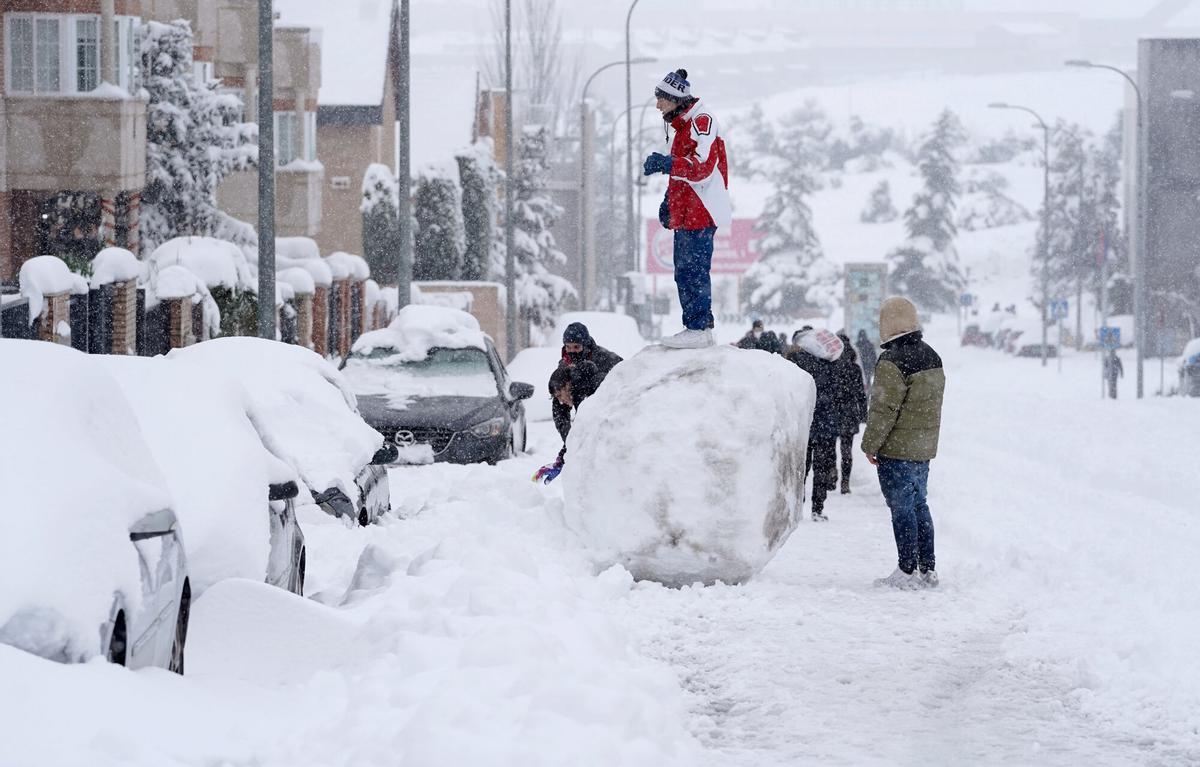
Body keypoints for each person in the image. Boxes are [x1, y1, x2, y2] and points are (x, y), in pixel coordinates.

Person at [642, 68, 731, 349]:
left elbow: (702, 168)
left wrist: (667, 163)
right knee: (684, 270)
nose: (657, 105)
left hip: (701, 211)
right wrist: (669, 201)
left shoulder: (701, 121)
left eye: (661, 99)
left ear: (675, 98)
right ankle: (697, 324)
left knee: (693, 269)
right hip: (688, 212)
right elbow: (683, 176)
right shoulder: (683, 125)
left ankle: (698, 327)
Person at [861, 297, 945, 589]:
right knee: (920, 505)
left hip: (897, 449)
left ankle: (906, 569)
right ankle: (927, 568)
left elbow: (884, 409)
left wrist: (870, 444)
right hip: (923, 448)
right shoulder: (932, 356)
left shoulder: (892, 360)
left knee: (902, 508)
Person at [535, 323, 623, 484]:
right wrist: (569, 446)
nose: (572, 351)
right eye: (568, 347)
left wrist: (567, 454)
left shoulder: (605, 362)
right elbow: (562, 412)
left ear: (586, 345)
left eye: (576, 347)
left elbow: (592, 420)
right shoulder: (565, 366)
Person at [787, 328, 844, 521]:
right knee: (821, 469)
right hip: (826, 426)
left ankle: (797, 507)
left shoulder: (796, 364)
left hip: (804, 426)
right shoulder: (832, 365)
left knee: (801, 468)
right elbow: (839, 394)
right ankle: (817, 509)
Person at [534, 362, 603, 484]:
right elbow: (578, 436)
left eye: (560, 395)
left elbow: (584, 435)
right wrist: (561, 460)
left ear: (568, 384)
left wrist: (561, 460)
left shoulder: (589, 394)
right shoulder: (582, 392)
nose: (561, 401)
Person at [833, 332, 868, 495]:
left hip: (832, 412)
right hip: (849, 412)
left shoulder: (831, 366)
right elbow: (861, 393)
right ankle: (845, 482)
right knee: (847, 450)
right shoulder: (855, 369)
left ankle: (831, 473)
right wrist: (863, 414)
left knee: (829, 447)